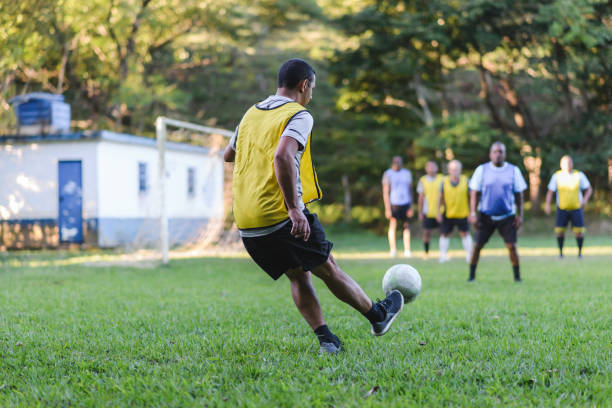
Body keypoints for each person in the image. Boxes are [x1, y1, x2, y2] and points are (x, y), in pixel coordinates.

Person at [223, 58, 403, 354]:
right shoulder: (299, 114)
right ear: (304, 85)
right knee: (328, 267)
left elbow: (228, 155)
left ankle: (327, 340)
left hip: (248, 223)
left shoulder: (250, 114)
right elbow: (282, 156)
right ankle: (379, 316)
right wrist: (294, 208)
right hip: (279, 214)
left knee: (298, 273)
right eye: (312, 88)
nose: (311, 94)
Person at [468, 142, 527, 282]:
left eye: (500, 151)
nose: (497, 154)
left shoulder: (514, 170)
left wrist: (520, 215)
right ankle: (471, 276)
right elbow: (474, 193)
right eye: (495, 151)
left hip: (507, 216)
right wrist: (472, 213)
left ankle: (517, 277)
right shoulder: (481, 170)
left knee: (512, 246)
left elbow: (519, 195)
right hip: (486, 215)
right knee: (477, 246)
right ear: (490, 154)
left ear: (505, 154)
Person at [544, 155, 592, 258]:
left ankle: (580, 253)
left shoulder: (579, 175)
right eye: (565, 164)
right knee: (560, 231)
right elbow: (550, 192)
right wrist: (547, 204)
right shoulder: (557, 176)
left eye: (569, 163)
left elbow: (589, 189)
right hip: (562, 208)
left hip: (576, 208)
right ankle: (560, 253)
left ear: (572, 164)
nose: (567, 166)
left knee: (579, 232)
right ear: (561, 165)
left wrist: (585, 200)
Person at [436, 160, 473, 263]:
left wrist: (472, 211)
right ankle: (443, 256)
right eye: (452, 169)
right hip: (448, 213)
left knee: (465, 233)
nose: (455, 171)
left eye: (457, 169)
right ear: (449, 170)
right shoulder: (444, 181)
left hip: (463, 213)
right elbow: (440, 198)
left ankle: (469, 256)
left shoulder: (466, 180)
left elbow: (471, 197)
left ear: (460, 170)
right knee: (444, 234)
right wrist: (438, 212)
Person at [382, 156, 414, 257]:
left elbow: (410, 191)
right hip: (394, 203)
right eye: (395, 161)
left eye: (399, 162)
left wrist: (411, 206)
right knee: (393, 224)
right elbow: (386, 191)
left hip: (405, 202)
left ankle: (407, 250)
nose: (397, 163)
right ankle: (393, 250)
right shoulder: (388, 174)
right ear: (392, 162)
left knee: (406, 226)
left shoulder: (407, 173)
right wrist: (387, 208)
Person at [417, 161, 443, 259]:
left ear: (437, 168)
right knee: (427, 233)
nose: (431, 169)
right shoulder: (423, 180)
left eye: (433, 166)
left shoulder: (442, 179)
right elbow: (420, 197)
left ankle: (443, 253)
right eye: (429, 167)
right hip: (427, 211)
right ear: (426, 169)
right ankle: (426, 252)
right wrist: (419, 212)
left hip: (440, 211)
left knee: (443, 233)